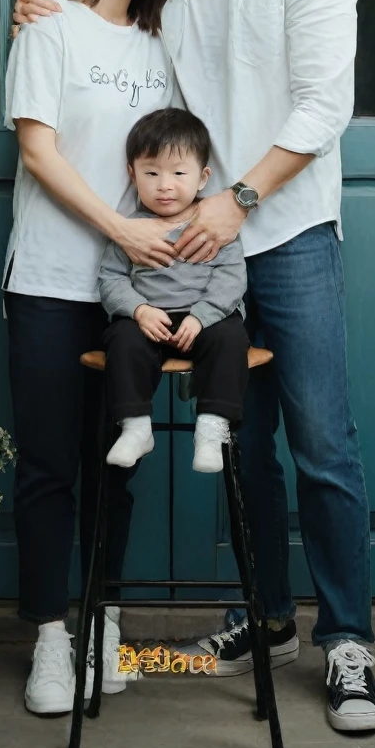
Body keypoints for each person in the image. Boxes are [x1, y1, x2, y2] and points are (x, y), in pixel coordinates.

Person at [12, 0, 375, 734]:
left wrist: (239, 200)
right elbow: (111, 35)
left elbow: (322, 109)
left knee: (322, 444)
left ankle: (349, 643)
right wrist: (44, 5)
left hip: (283, 233)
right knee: (245, 449)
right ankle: (268, 621)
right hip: (189, 251)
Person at [4, 0, 189, 717]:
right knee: (50, 464)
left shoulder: (168, 47)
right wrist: (120, 230)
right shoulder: (50, 26)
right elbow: (40, 153)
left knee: (117, 462)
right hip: (49, 278)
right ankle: (50, 638)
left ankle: (105, 621)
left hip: (138, 297)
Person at [99, 107, 250, 474]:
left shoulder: (212, 224)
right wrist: (138, 310)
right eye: (151, 173)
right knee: (122, 339)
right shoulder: (129, 228)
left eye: (179, 173)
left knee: (231, 338)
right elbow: (111, 279)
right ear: (132, 174)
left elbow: (232, 277)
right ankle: (135, 427)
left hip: (205, 318)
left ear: (202, 177)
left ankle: (212, 428)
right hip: (151, 319)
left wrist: (202, 316)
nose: (165, 185)